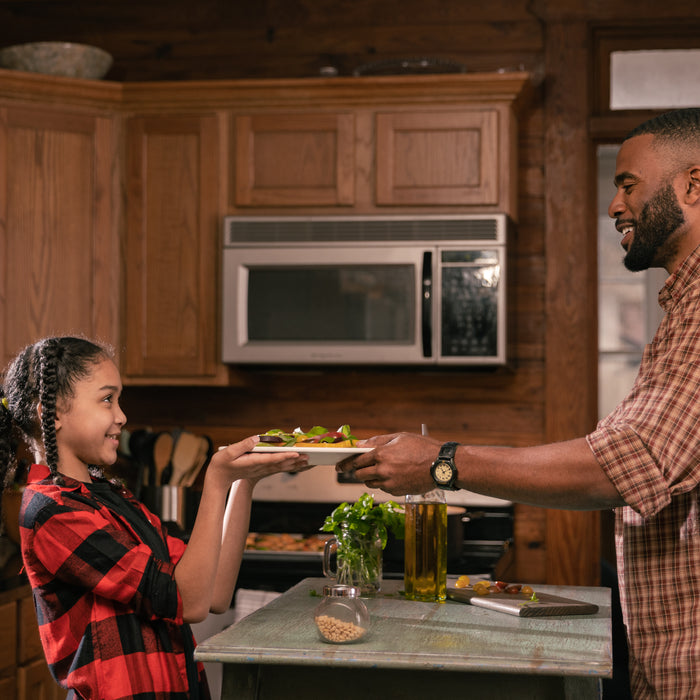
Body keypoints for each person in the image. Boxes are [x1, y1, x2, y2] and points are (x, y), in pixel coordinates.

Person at [337, 107, 700, 699]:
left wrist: (441, 462)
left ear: (693, 183)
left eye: (627, 185)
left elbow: (624, 465)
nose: (613, 207)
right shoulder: (682, 313)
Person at [0, 335, 310, 699]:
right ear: (51, 414)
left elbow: (213, 594)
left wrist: (242, 483)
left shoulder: (113, 497)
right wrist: (214, 480)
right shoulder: (52, 513)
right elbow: (190, 602)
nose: (121, 416)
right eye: (106, 399)